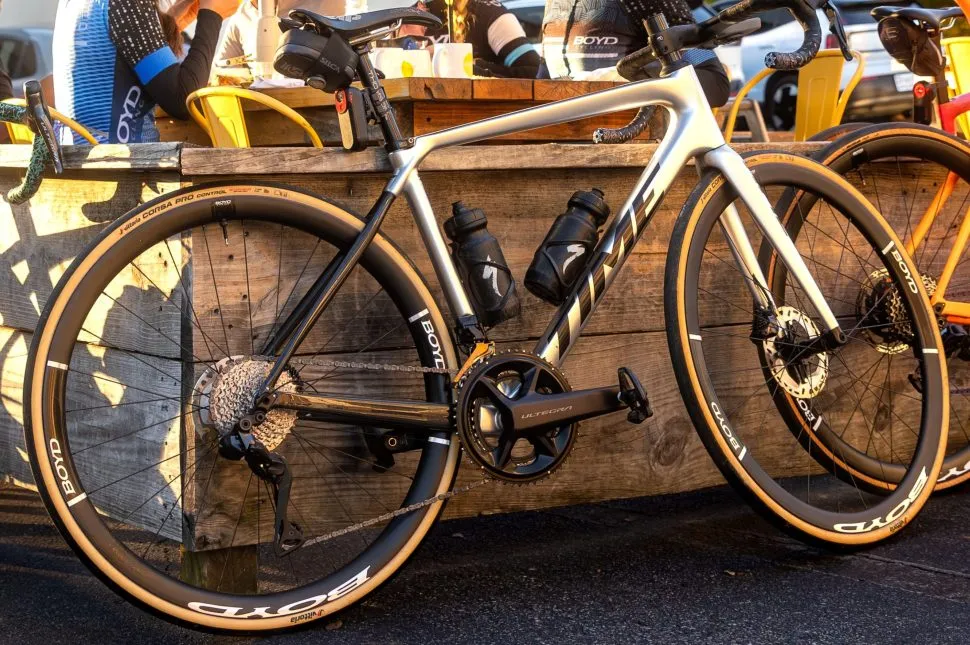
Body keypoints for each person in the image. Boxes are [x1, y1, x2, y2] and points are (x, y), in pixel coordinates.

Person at [52, 0, 242, 144]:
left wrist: (169, 24)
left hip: (84, 158)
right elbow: (183, 100)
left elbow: (119, 55)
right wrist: (212, 15)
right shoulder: (128, 4)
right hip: (125, 165)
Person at [540, 0, 730, 106]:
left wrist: (617, 78)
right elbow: (541, 79)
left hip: (637, 147)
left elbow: (715, 85)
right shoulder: (554, 4)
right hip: (561, 144)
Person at [398, 0, 541, 78]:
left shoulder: (491, 14)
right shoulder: (408, 17)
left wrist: (469, 67)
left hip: (481, 115)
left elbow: (533, 72)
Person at [216, 0, 340, 65]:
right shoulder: (240, 17)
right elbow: (223, 71)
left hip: (317, 100)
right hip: (263, 102)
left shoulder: (327, 4)